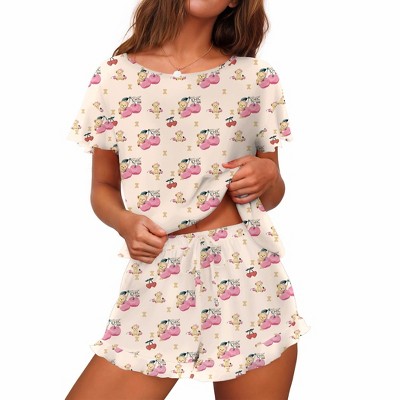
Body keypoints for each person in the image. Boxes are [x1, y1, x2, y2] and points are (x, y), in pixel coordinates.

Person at [66, 1, 310, 399]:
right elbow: (103, 187)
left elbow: (272, 194)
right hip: (161, 271)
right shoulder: (114, 77)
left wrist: (268, 175)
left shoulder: (255, 78)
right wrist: (125, 222)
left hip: (247, 275)